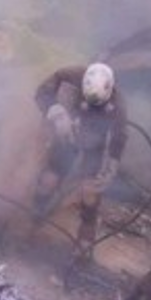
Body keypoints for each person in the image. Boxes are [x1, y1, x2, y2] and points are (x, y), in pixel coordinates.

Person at [33, 62, 128, 249]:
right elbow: (42, 92)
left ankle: (86, 236)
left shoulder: (118, 103)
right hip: (67, 131)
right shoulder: (69, 74)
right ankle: (36, 212)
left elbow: (120, 135)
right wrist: (55, 110)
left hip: (95, 143)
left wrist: (113, 163)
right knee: (48, 179)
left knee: (90, 191)